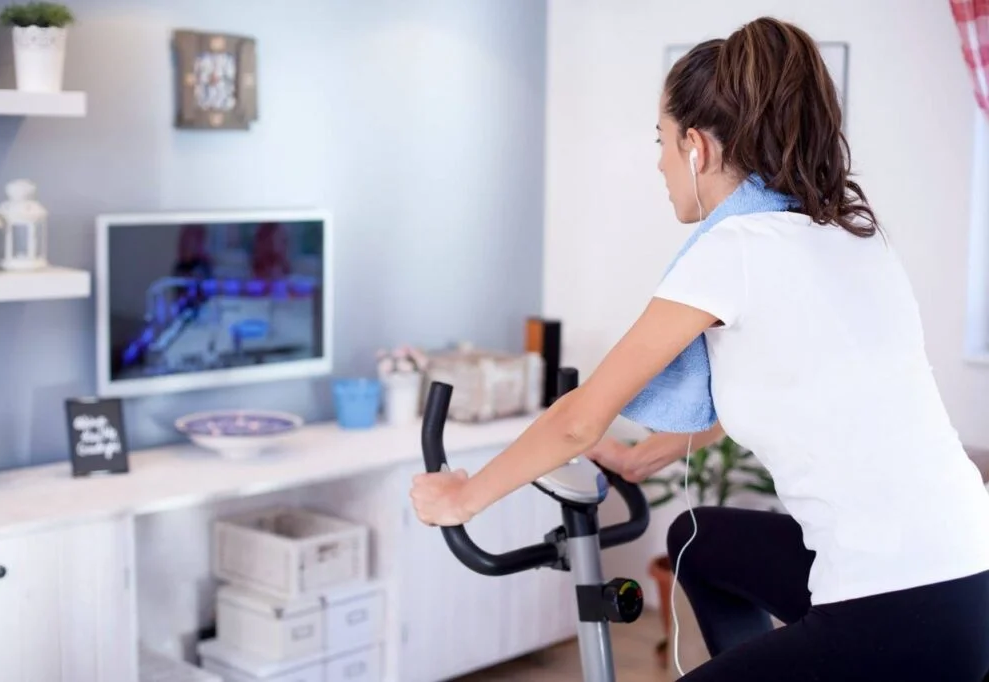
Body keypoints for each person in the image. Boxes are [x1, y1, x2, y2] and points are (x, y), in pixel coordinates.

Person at [409, 16, 989, 681]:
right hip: (970, 575)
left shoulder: (733, 249)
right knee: (696, 540)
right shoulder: (852, 237)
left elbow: (579, 418)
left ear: (696, 147)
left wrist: (462, 497)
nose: (658, 164)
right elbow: (818, 383)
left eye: (659, 141)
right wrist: (657, 448)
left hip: (894, 606)